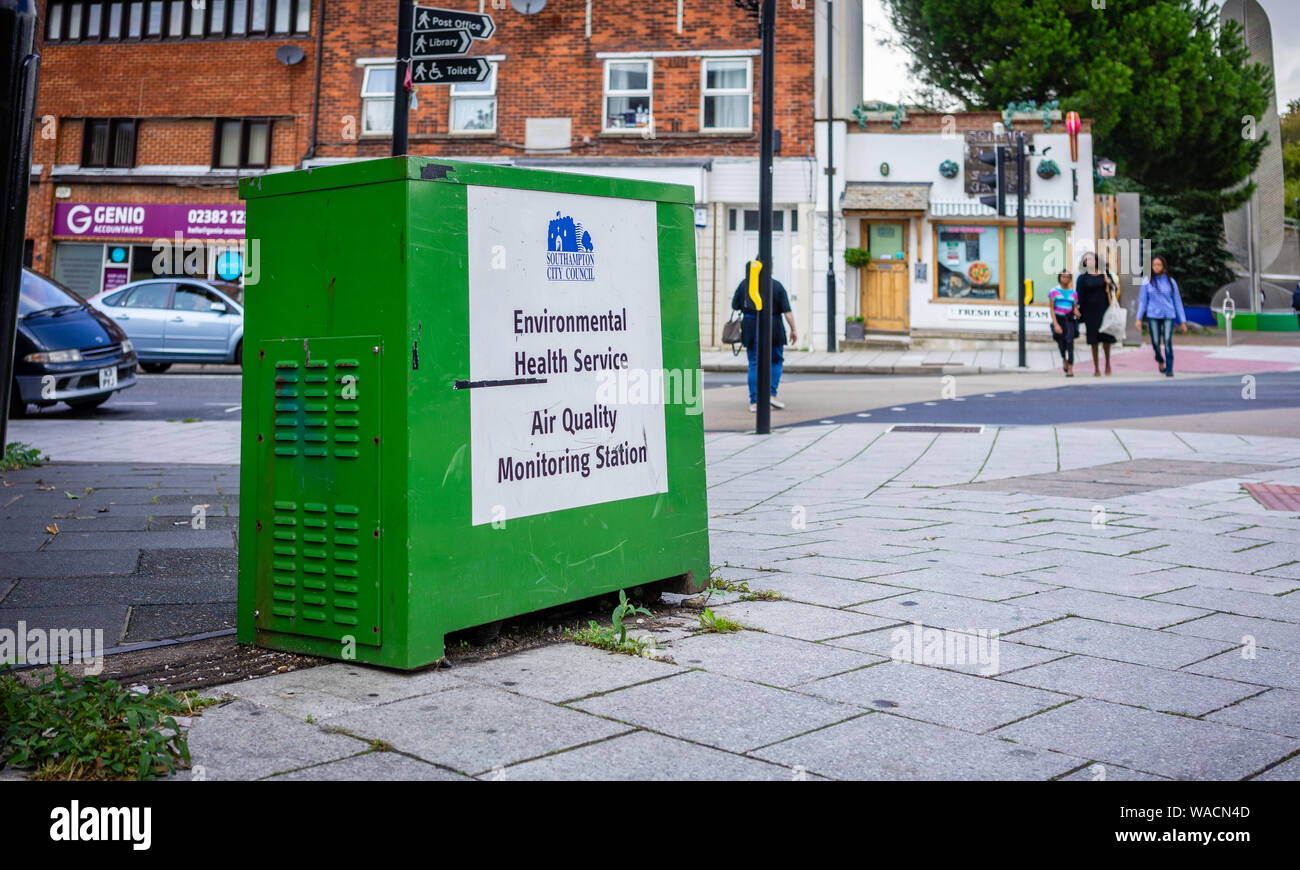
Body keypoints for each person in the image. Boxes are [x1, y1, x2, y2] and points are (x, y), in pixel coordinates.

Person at [731, 272, 796, 411]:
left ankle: (754, 401)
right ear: (770, 268)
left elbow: (735, 305)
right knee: (776, 360)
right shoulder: (777, 286)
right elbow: (787, 312)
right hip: (774, 326)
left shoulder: (745, 284)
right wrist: (793, 329)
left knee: (754, 363)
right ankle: (771, 395)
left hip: (750, 326)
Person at [1136, 254, 1187, 377]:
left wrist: (1182, 322)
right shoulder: (1147, 281)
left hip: (1168, 315)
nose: (1156, 267)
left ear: (1164, 266)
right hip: (1153, 315)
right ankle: (1160, 360)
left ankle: (1169, 368)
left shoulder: (1171, 282)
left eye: (1158, 264)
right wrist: (1138, 318)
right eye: (1154, 265)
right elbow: (1142, 301)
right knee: (1155, 342)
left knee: (1168, 340)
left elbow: (1177, 302)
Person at [1076, 252, 1118, 376]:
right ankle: (1096, 368)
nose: (1088, 262)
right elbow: (1078, 295)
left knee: (1106, 340)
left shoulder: (1105, 273)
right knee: (1093, 341)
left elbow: (1114, 289)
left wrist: (1109, 283)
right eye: (1086, 260)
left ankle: (1107, 364)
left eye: (1090, 259)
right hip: (1090, 312)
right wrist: (1077, 310)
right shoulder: (1082, 277)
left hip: (1104, 310)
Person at [1048, 270, 1081, 377]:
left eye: (1067, 277)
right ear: (1059, 278)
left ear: (1070, 279)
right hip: (1059, 318)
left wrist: (1077, 312)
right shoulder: (1054, 291)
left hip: (1069, 319)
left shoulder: (1073, 293)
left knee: (1070, 342)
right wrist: (1056, 324)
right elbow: (1052, 308)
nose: (1065, 279)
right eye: (1063, 277)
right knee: (1061, 343)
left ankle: (1070, 368)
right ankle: (1064, 359)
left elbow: (1074, 307)